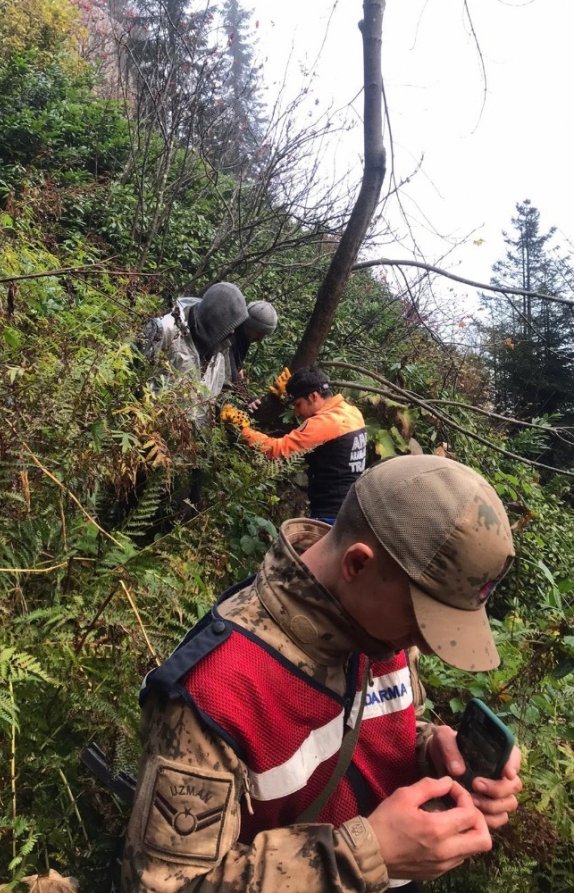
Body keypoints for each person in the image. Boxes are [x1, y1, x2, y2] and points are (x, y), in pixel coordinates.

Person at [122, 454, 522, 893]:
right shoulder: (216, 689)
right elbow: (167, 885)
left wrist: (430, 751)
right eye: (423, 618)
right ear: (358, 565)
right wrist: (363, 857)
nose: (426, 645)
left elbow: (370, 732)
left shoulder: (380, 629)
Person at [227, 366, 367, 522]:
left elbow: (277, 450)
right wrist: (283, 398)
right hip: (351, 509)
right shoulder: (351, 412)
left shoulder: (324, 423)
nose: (296, 412)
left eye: (298, 404)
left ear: (313, 396)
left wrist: (243, 430)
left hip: (330, 515)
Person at [141, 282, 248, 407]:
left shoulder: (220, 351)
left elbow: (221, 394)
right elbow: (133, 380)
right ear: (215, 315)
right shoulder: (166, 330)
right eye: (229, 323)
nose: (232, 331)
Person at [227, 300, 279, 383]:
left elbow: (237, 357)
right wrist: (235, 375)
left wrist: (239, 368)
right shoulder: (229, 334)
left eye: (264, 335)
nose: (260, 339)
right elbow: (230, 371)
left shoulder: (245, 336)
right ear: (249, 325)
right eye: (259, 333)